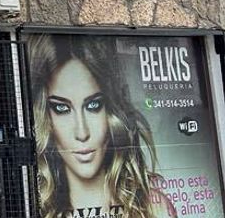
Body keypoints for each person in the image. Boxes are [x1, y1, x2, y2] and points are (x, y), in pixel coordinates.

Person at [28, 34, 176, 218]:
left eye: (93, 105)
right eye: (61, 108)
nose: (82, 132)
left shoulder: (154, 208)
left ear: (111, 112)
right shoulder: (36, 210)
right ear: (45, 117)